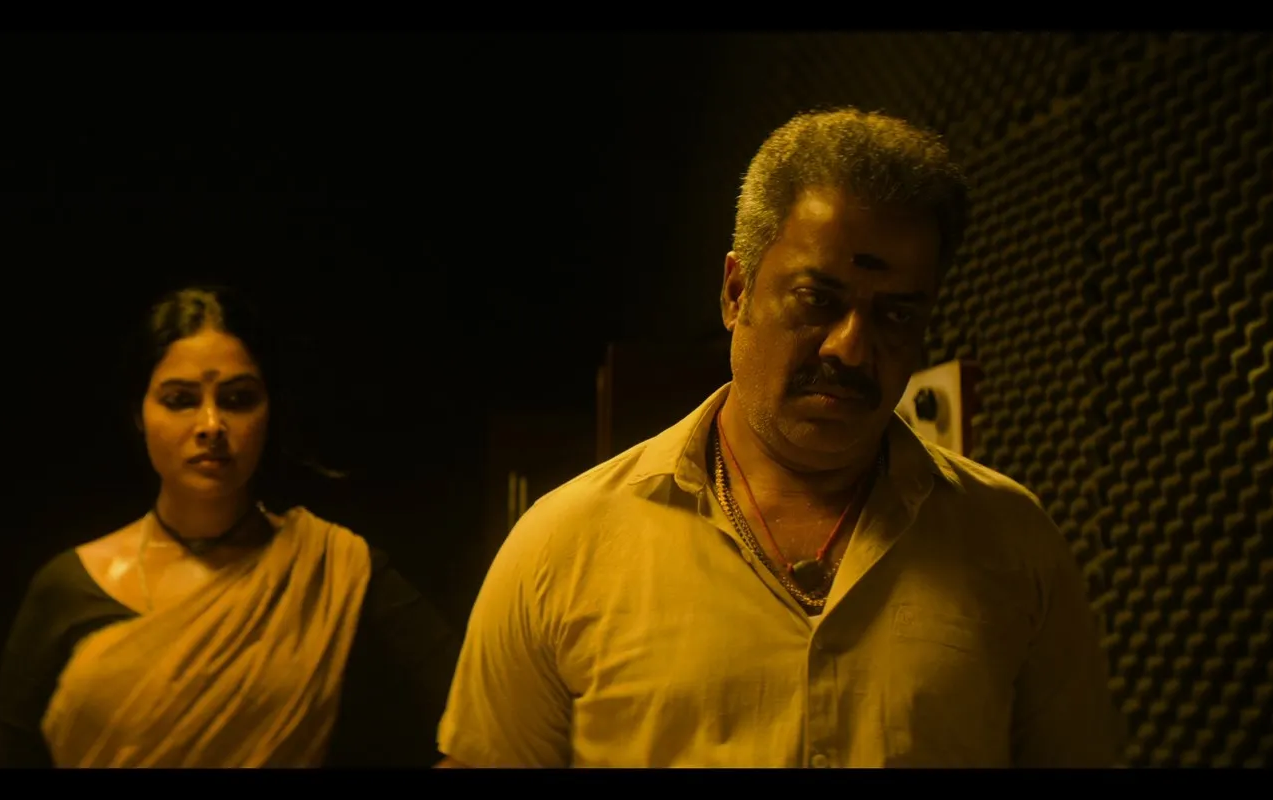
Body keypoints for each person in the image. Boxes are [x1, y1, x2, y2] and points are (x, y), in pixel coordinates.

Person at [436, 108, 1125, 768]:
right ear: (736, 291)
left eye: (895, 315)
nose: (851, 349)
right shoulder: (562, 545)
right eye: (819, 300)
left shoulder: (1013, 543)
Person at [0, 285, 459, 768]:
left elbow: (482, 712)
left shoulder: (327, 570)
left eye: (237, 399)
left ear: (269, 412)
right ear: (138, 414)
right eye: (180, 400)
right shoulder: (67, 588)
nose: (211, 424)